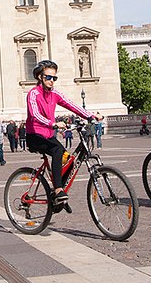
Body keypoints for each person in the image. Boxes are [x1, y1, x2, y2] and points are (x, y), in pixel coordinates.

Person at [25, 60, 101, 207]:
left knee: (68, 159)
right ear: (40, 77)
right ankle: (58, 189)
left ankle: (59, 193)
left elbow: (71, 105)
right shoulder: (33, 94)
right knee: (57, 150)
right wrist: (52, 123)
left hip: (48, 135)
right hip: (34, 135)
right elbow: (34, 115)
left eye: (54, 78)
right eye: (48, 77)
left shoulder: (54, 93)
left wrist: (90, 116)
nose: (51, 81)